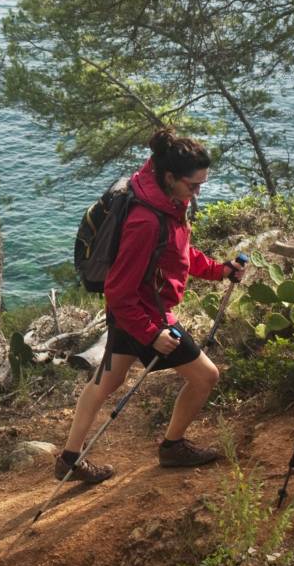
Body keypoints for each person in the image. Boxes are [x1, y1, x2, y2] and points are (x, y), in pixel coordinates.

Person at [55, 128, 247, 483]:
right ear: (171, 176)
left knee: (104, 383)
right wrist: (152, 332)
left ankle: (69, 459)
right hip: (144, 317)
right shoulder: (145, 220)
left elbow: (178, 254)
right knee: (206, 377)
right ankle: (172, 447)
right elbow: (118, 290)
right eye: (193, 185)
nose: (198, 193)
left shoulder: (168, 202)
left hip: (135, 317)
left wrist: (220, 270)